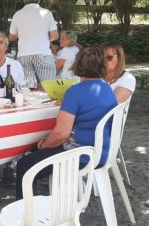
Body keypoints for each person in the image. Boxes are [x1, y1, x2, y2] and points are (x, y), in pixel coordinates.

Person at [14, 47, 117, 199]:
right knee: (35, 153)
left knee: (24, 164)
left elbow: (61, 135)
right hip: (101, 152)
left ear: (78, 65)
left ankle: (26, 215)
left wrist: (45, 144)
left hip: (79, 156)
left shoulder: (75, 92)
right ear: (102, 66)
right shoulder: (107, 89)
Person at [9, 0, 59, 86]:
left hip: (23, 55)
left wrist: (22, 34)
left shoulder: (17, 14)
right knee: (48, 88)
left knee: (28, 89)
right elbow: (55, 35)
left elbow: (11, 38)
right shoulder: (47, 13)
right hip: (43, 53)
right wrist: (43, 39)